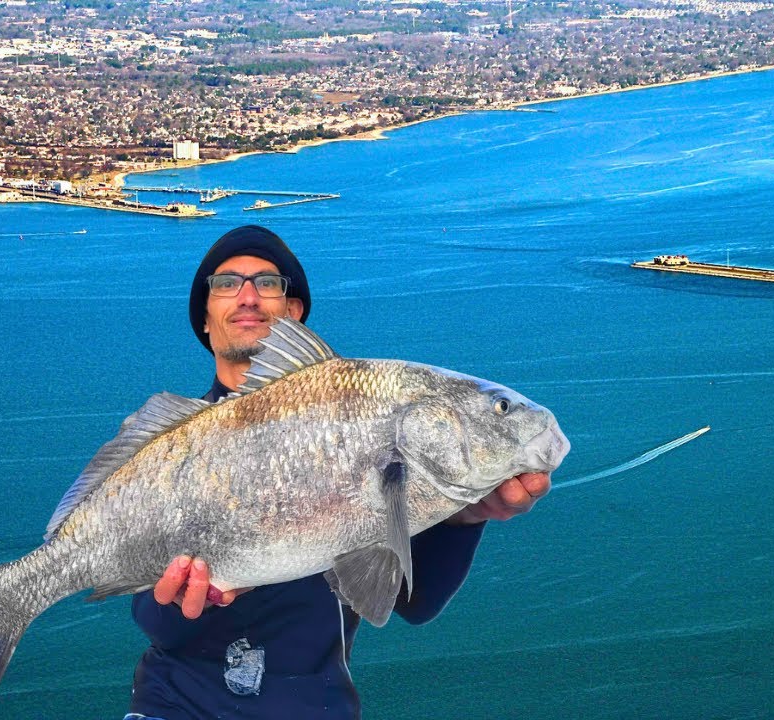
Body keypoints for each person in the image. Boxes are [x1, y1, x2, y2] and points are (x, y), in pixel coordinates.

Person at [126, 225, 551, 720]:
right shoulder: (165, 455)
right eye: (226, 283)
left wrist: (463, 518)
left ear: (294, 312)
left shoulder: (360, 423)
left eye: (268, 282)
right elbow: (153, 621)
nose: (247, 295)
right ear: (204, 319)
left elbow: (414, 604)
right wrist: (183, 599)